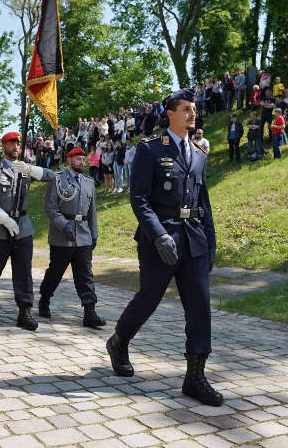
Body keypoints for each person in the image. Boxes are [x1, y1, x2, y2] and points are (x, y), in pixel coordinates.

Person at [107, 90, 223, 407]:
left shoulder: (199, 153)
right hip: (160, 238)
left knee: (200, 304)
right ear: (171, 113)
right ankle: (119, 342)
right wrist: (158, 235)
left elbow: (204, 204)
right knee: (149, 297)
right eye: (186, 109)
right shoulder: (150, 149)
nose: (192, 113)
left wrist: (210, 244)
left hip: (193, 237)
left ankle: (195, 377)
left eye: (194, 109)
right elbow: (139, 199)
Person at [0, 132, 56, 331]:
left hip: (23, 226)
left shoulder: (25, 169)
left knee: (23, 272)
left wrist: (30, 169)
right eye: (12, 143)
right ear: (4, 146)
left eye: (18, 143)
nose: (16, 146)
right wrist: (4, 219)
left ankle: (24, 311)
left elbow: (52, 177)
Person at [38, 148, 105, 328]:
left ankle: (89, 312)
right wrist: (63, 224)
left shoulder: (89, 182)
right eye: (77, 158)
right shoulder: (58, 179)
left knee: (85, 275)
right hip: (62, 235)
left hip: (83, 235)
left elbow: (92, 212)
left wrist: (94, 233)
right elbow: (50, 207)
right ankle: (44, 298)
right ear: (69, 160)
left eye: (83, 159)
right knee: (55, 272)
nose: (81, 162)